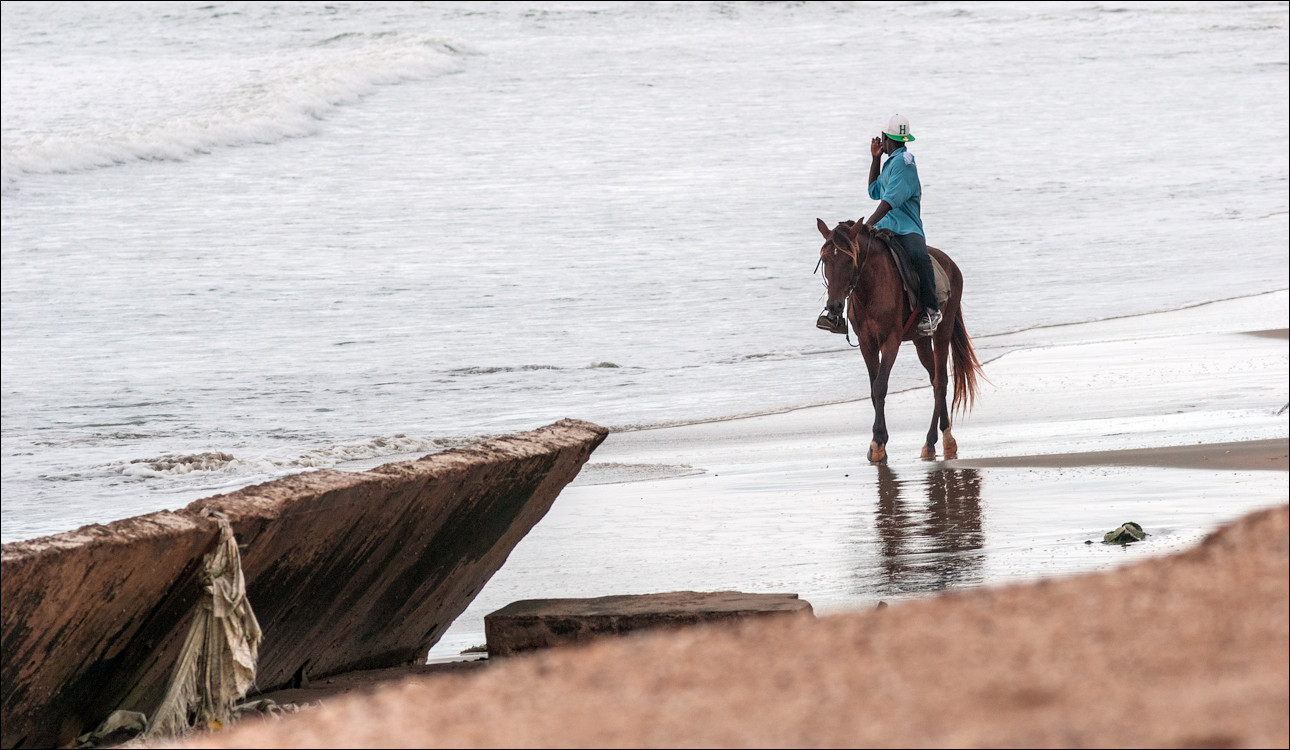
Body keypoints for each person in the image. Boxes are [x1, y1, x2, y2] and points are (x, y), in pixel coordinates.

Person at [863, 114, 940, 335]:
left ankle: (932, 310)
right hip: (885, 226)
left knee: (919, 257)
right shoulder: (889, 164)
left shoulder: (905, 163)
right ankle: (843, 314)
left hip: (906, 228)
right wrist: (875, 159)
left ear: (886, 137)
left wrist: (868, 224)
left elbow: (888, 201)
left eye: (882, 138)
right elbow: (874, 192)